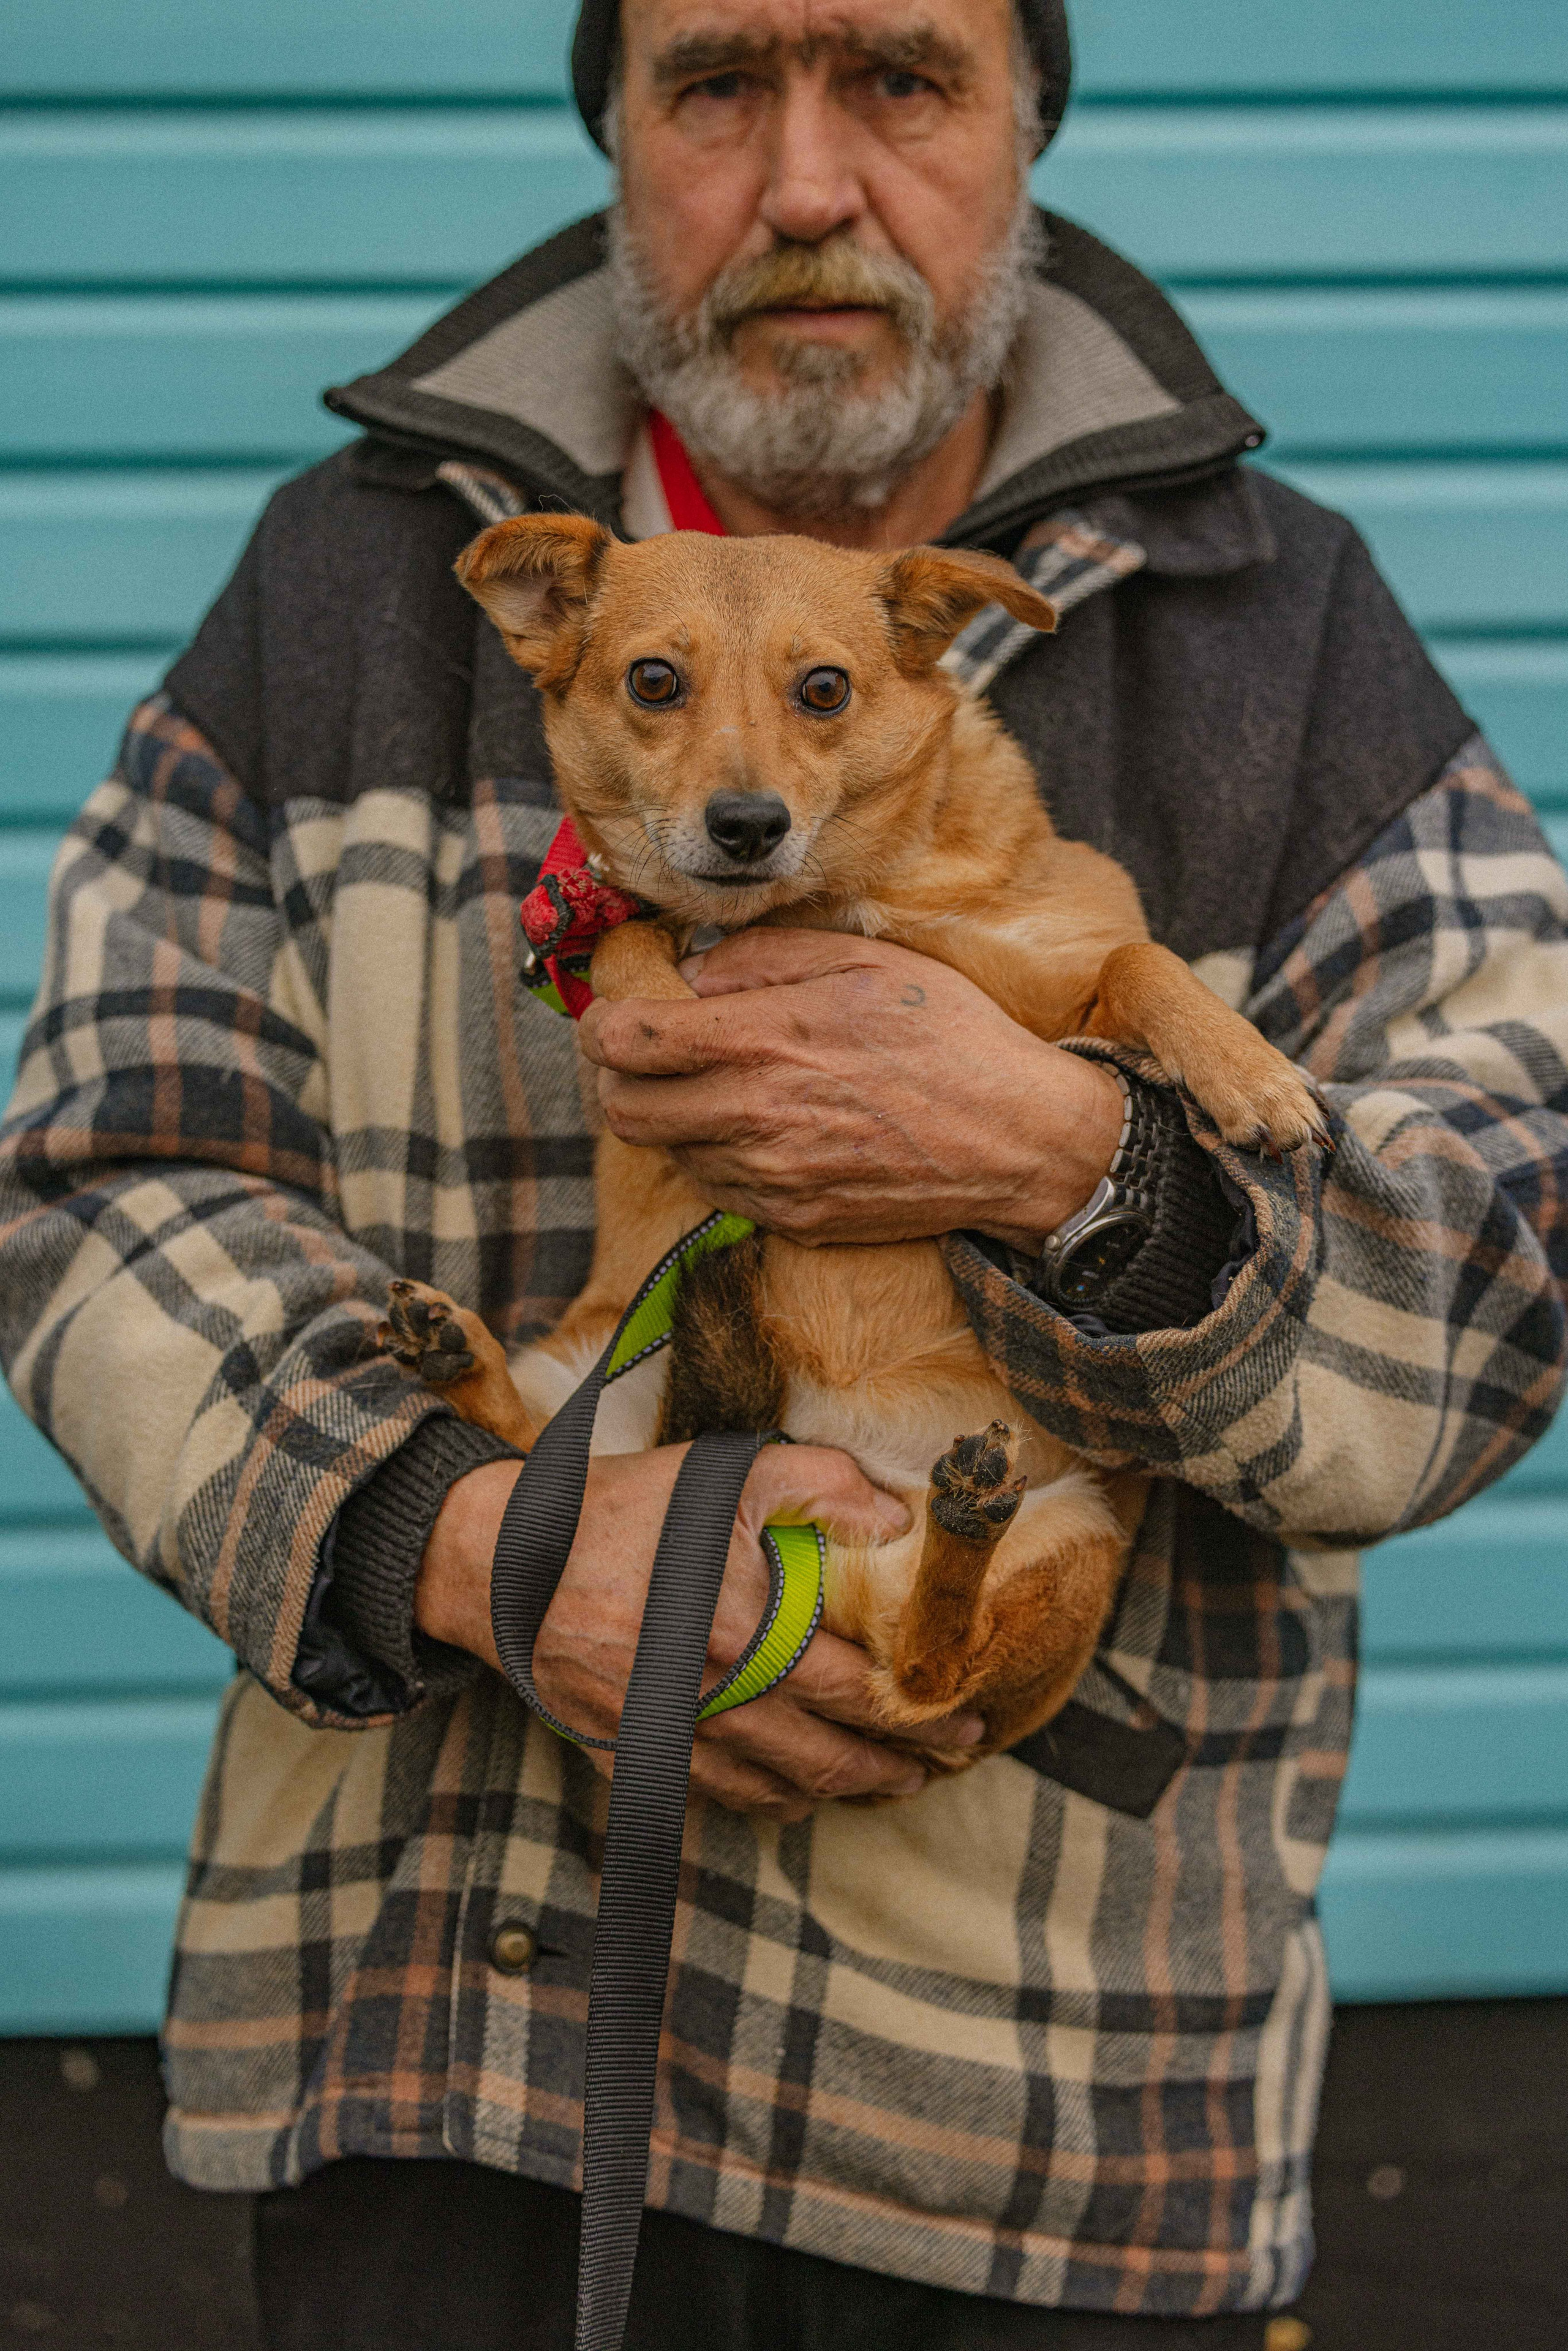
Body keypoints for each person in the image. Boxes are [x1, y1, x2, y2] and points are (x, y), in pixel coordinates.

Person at [2, 2, 1564, 2344]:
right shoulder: (349, 587)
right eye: (720, 83)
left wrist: (1069, 1158)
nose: (810, 184)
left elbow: (1505, 1277)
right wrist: (464, 1535)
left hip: (1039, 2106)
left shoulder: (1284, 625)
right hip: (444, 2044)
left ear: (1028, 123)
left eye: (903, 82)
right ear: (615, 128)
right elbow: (101, 1179)